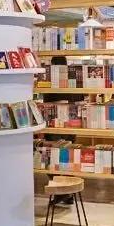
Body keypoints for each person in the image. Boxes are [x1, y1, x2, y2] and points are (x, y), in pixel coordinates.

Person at [41, 55, 76, 204]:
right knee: (66, 157)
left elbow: (48, 98)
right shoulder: (72, 77)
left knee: (51, 157)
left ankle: (62, 192)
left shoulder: (51, 78)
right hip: (71, 121)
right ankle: (67, 193)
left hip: (54, 121)